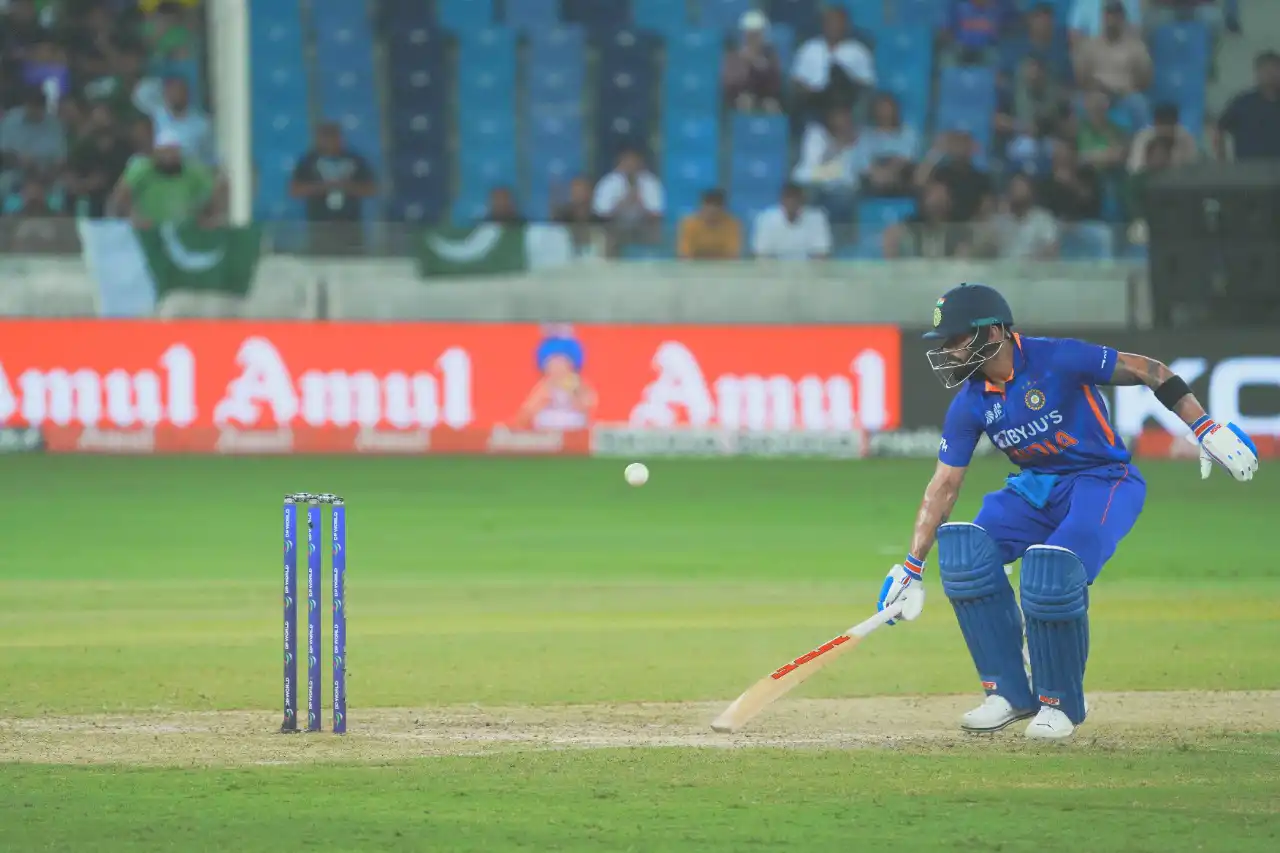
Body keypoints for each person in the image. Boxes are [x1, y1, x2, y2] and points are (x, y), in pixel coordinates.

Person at [876, 283, 1258, 740]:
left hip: (1103, 480)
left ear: (993, 331)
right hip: (1035, 489)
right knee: (963, 552)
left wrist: (1205, 426)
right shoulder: (971, 402)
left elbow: (1149, 369)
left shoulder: (1058, 358)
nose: (950, 353)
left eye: (957, 339)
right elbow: (944, 485)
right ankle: (1010, 693)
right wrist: (912, 566)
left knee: (1052, 571)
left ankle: (1060, 703)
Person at [721, 10, 782, 113]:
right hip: (739, 98)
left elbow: (775, 85)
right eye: (751, 34)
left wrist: (762, 66)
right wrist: (746, 63)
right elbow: (730, 84)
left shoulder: (770, 55)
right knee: (745, 102)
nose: (754, 38)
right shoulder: (733, 56)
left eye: (757, 34)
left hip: (764, 97)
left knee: (772, 106)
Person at [676, 189, 742, 260]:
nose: (711, 213)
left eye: (715, 212)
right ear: (701, 206)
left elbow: (732, 256)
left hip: (722, 268)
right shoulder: (689, 223)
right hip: (694, 268)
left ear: (723, 209)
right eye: (708, 209)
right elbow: (685, 256)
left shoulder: (732, 224)